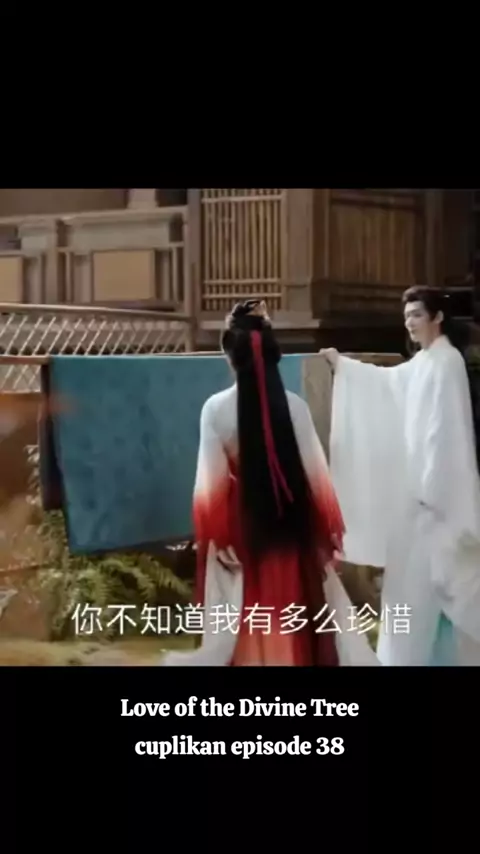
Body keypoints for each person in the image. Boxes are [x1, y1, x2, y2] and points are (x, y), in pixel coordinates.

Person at [161, 299, 378, 666]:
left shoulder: (216, 409)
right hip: (293, 529)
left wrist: (219, 538)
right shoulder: (295, 407)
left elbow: (211, 486)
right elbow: (316, 481)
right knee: (297, 616)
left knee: (243, 620)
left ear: (230, 356)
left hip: (241, 530)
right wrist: (320, 538)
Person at [321, 285, 480, 666]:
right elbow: (389, 383)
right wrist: (345, 367)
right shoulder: (425, 361)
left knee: (429, 593)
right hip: (416, 501)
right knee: (408, 595)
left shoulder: (447, 362)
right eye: (406, 316)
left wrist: (431, 488)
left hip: (434, 503)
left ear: (437, 317)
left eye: (417, 315)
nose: (409, 323)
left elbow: (444, 432)